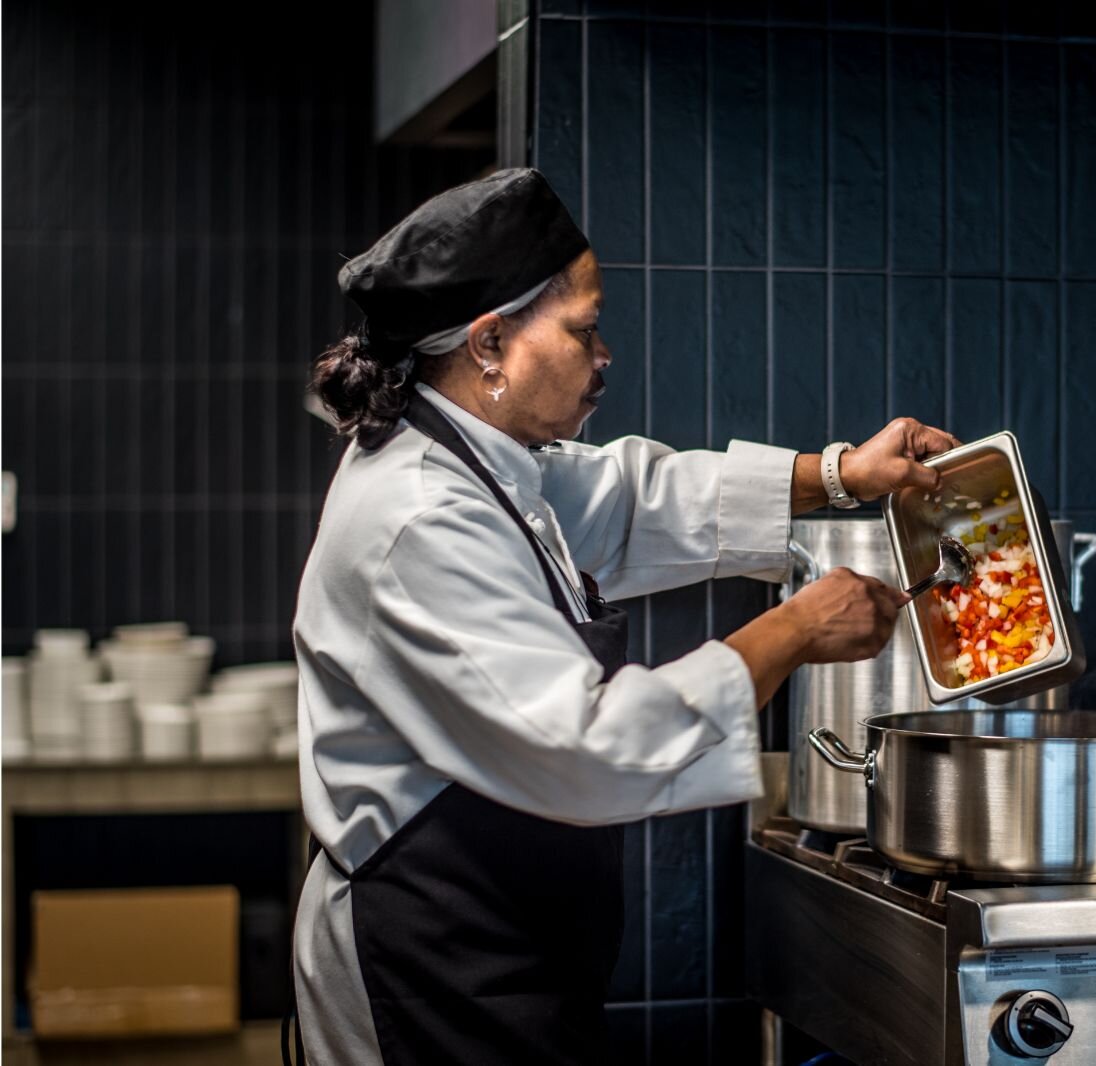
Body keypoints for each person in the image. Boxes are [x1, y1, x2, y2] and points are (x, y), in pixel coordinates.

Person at [290, 168, 957, 1065]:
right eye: (583, 329)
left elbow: (634, 496)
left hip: (495, 926)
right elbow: (585, 749)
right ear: (490, 344)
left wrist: (841, 473)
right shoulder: (420, 518)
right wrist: (794, 631)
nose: (604, 354)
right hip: (423, 955)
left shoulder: (476, 457)